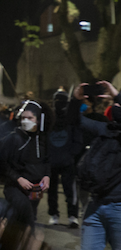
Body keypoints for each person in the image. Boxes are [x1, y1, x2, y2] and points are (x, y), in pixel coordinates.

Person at [71, 81, 121, 250]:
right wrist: (76, 100)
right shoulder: (105, 129)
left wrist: (116, 93)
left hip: (119, 207)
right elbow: (74, 121)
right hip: (96, 204)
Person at [0, 100, 50, 228]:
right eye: (23, 118)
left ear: (38, 120)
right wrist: (18, 178)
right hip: (15, 188)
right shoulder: (13, 138)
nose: (25, 121)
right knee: (26, 219)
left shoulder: (42, 139)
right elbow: (2, 164)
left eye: (29, 118)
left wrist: (46, 176)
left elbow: (47, 160)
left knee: (26, 218)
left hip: (35, 188)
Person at [46, 90, 81, 227]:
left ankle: (72, 216)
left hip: (67, 161)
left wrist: (72, 154)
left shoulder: (72, 119)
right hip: (53, 160)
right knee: (52, 190)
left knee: (70, 190)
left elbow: (78, 138)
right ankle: (54, 214)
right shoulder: (49, 119)